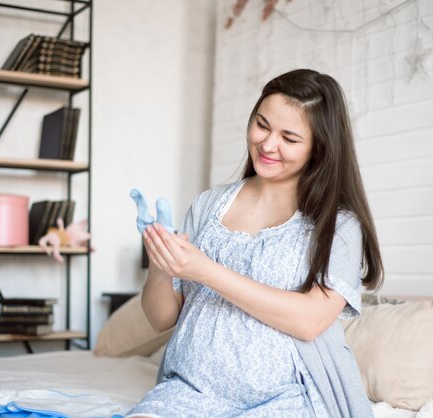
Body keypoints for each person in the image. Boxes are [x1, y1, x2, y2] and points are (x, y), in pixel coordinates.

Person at [127, 69, 383, 418]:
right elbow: (160, 319)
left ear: (318, 149)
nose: (267, 144)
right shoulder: (208, 205)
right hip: (191, 391)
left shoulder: (338, 227)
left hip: (290, 397)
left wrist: (206, 271)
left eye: (289, 138)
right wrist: (160, 261)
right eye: (262, 125)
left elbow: (310, 321)